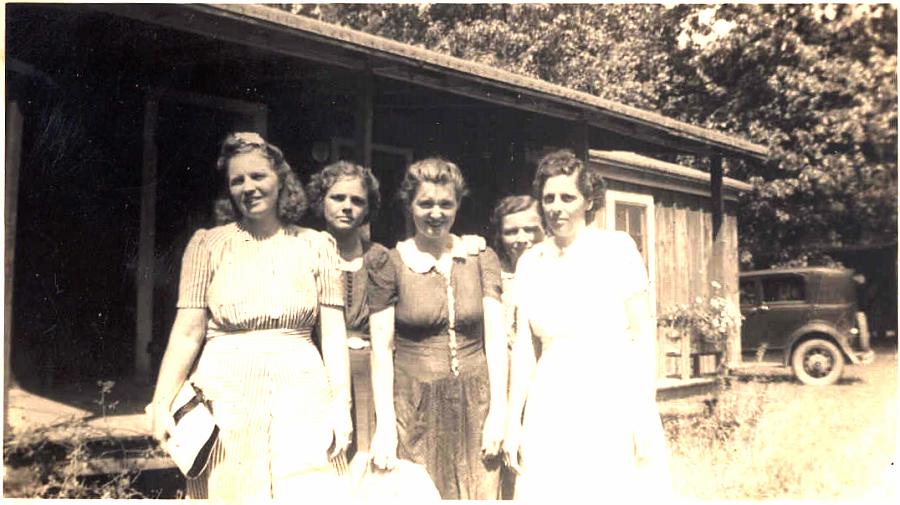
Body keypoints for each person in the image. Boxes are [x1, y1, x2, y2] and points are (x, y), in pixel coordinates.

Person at [146, 132, 352, 501]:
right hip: (227, 392)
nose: (248, 187)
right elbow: (187, 333)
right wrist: (161, 404)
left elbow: (334, 336)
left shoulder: (316, 245)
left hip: (302, 390)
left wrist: (341, 406)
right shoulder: (207, 245)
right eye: (237, 180)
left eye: (258, 176)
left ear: (282, 181)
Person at [504, 150, 671, 501]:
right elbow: (523, 350)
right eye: (548, 198)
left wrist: (644, 410)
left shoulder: (616, 250)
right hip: (550, 400)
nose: (556, 207)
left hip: (609, 395)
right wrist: (513, 420)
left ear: (588, 200)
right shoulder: (531, 263)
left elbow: (642, 337)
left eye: (568, 197)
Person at [366, 158, 507, 499]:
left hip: (478, 405)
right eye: (425, 203)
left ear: (458, 205)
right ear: (409, 204)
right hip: (415, 408)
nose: (436, 213)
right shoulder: (390, 263)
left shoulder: (479, 257)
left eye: (446, 203)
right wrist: (385, 425)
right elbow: (381, 350)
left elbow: (497, 340)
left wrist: (498, 414)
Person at [489, 194, 544, 499]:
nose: (521, 239)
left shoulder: (554, 272)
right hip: (500, 386)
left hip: (541, 385)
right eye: (511, 231)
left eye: (530, 229)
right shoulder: (491, 275)